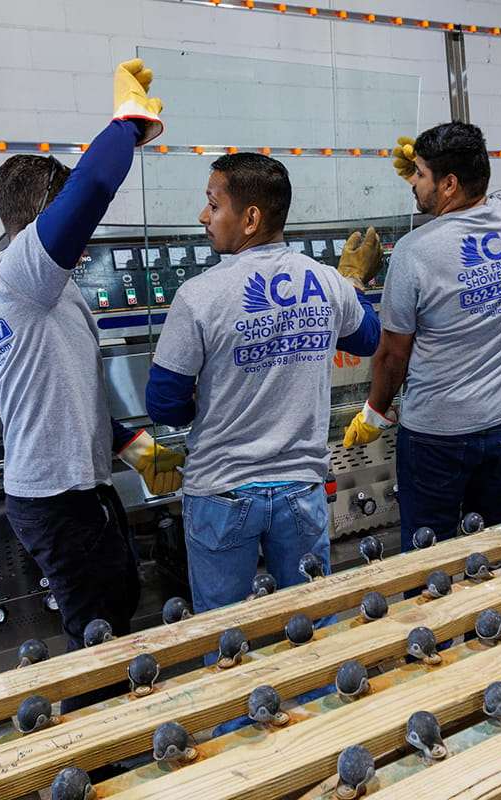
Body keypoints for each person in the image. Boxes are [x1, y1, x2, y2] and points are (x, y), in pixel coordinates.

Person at [0, 59, 184, 713]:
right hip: (56, 498)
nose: (84, 236)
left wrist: (127, 442)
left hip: (72, 487)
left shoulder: (5, 277)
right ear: (41, 222)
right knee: (97, 633)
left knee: (114, 607)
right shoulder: (24, 271)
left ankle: (109, 733)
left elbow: (5, 354)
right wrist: (129, 127)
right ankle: (99, 757)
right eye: (66, 221)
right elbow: (90, 187)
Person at [145, 152, 382, 623]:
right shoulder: (326, 281)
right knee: (309, 623)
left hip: (222, 492)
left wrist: (210, 400)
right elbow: (369, 337)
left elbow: (164, 405)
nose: (203, 216)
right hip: (301, 490)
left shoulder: (198, 295)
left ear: (250, 218)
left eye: (213, 205)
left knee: (224, 629)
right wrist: (352, 279)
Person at [343, 122, 501, 552]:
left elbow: (393, 355)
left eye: (421, 174)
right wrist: (440, 158)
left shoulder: (415, 252)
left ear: (449, 185)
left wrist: (375, 412)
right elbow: (486, 182)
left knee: (430, 554)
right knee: (495, 547)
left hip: (439, 438)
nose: (412, 181)